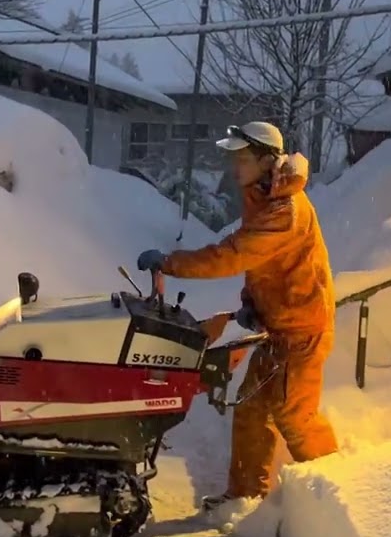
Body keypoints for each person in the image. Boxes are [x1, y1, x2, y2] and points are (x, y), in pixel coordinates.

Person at [137, 121, 339, 509]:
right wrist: (252, 302)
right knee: (250, 411)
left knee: (297, 420)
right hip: (277, 327)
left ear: (266, 161)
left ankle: (337, 494)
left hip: (301, 332)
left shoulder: (284, 211)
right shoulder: (263, 196)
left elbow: (234, 254)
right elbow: (264, 265)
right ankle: (244, 496)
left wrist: (170, 263)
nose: (234, 167)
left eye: (243, 159)